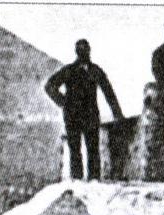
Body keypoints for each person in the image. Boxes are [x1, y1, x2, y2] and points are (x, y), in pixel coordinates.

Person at [45, 39, 124, 180]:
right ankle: (78, 182)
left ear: (88, 51)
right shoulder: (69, 70)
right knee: (75, 150)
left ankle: (94, 181)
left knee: (92, 150)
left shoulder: (94, 70)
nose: (84, 53)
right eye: (81, 50)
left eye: (85, 50)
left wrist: (117, 113)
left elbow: (108, 92)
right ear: (78, 52)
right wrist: (63, 102)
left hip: (89, 115)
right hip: (73, 116)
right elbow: (49, 86)